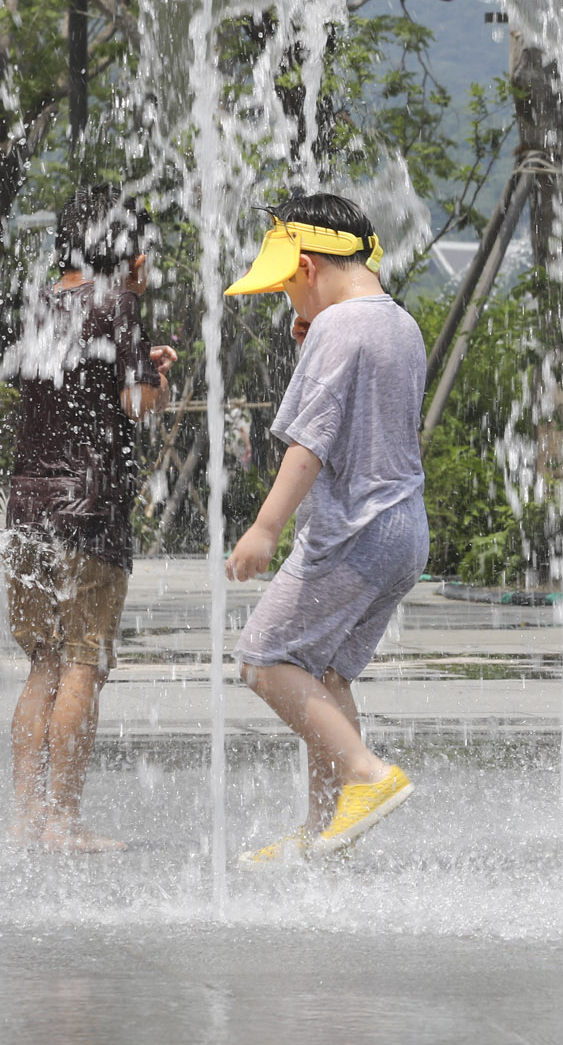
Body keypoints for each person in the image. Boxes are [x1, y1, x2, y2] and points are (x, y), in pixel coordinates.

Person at [223, 192, 427, 866]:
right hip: (403, 530)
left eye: (286, 288)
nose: (288, 305)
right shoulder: (399, 322)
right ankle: (325, 835)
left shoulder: (339, 330)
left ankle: (367, 777)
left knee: (263, 657)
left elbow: (308, 444)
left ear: (307, 266)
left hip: (353, 532)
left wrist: (264, 528)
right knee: (329, 679)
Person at [6, 187, 175, 853]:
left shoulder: (37, 302)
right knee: (83, 663)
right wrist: (155, 379)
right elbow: (137, 407)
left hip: (26, 508)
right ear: (128, 250)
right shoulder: (121, 303)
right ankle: (63, 822)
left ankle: (25, 817)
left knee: (42, 664)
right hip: (91, 511)